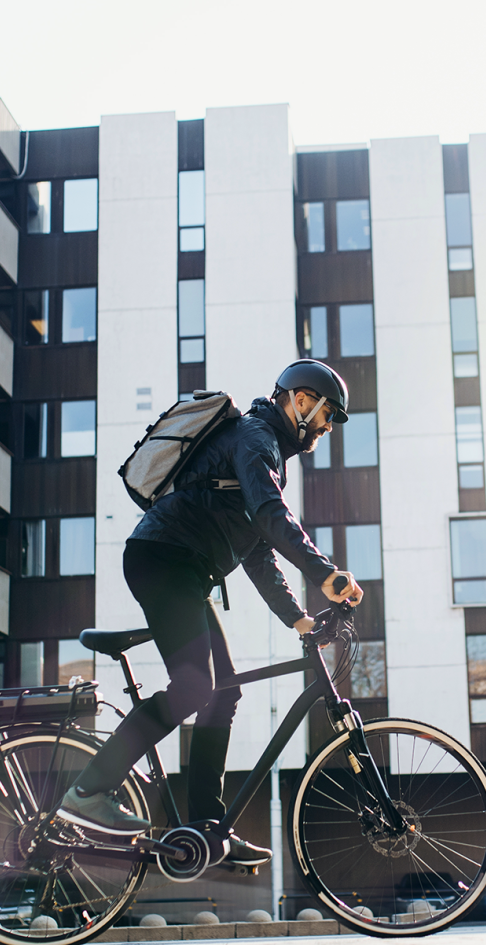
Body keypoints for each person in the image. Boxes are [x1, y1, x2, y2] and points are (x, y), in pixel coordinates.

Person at [58, 360, 363, 866]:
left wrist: (299, 618)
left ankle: (206, 827)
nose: (329, 428)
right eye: (329, 415)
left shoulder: (262, 450)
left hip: (186, 570)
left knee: (224, 690)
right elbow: (272, 516)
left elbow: (256, 546)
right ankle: (89, 793)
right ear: (303, 401)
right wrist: (325, 572)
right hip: (162, 559)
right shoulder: (255, 436)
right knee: (196, 685)